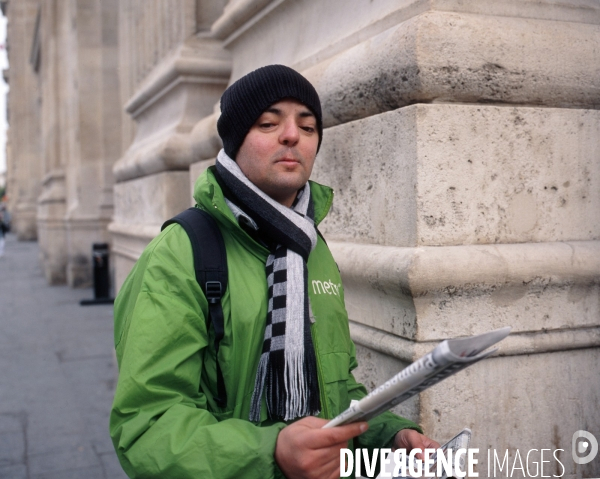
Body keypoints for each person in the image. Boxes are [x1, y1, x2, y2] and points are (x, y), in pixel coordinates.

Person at [110, 64, 439, 479]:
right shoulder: (179, 253)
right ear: (233, 141)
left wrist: (389, 436)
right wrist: (272, 452)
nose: (292, 136)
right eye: (268, 122)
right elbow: (147, 428)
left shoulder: (311, 248)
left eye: (308, 126)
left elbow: (336, 390)